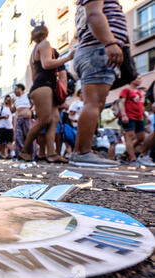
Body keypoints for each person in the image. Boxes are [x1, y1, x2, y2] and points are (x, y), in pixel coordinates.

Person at [71, 0, 127, 167]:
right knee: (94, 103)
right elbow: (94, 14)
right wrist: (110, 42)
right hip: (97, 49)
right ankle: (82, 152)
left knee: (97, 103)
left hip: (93, 50)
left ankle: (83, 150)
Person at [19, 23, 74, 163]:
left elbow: (33, 76)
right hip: (44, 87)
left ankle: (52, 153)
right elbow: (47, 64)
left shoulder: (33, 52)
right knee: (45, 121)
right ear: (45, 33)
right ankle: (25, 151)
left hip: (42, 87)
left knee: (53, 120)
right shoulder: (45, 44)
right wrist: (68, 58)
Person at [118, 76, 146, 165]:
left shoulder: (139, 92)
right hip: (129, 116)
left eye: (140, 78)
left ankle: (126, 153)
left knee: (141, 137)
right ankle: (133, 158)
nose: (140, 80)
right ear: (132, 79)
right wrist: (123, 115)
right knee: (130, 136)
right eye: (137, 78)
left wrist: (145, 116)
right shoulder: (126, 90)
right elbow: (121, 102)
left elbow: (141, 106)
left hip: (139, 117)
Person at [12, 84, 33, 159]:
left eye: (15, 89)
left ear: (20, 88)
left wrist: (31, 111)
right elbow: (12, 110)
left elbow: (35, 104)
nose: (14, 91)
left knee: (29, 136)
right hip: (19, 119)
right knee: (18, 137)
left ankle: (31, 154)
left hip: (27, 118)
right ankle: (21, 154)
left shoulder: (28, 96)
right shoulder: (16, 100)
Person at [0, 95, 14, 159]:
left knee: (9, 142)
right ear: (4, 100)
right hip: (1, 127)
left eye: (9, 100)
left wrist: (13, 127)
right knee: (1, 142)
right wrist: (3, 117)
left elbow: (13, 119)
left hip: (9, 127)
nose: (7, 101)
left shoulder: (11, 109)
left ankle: (12, 155)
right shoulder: (1, 108)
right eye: (6, 99)